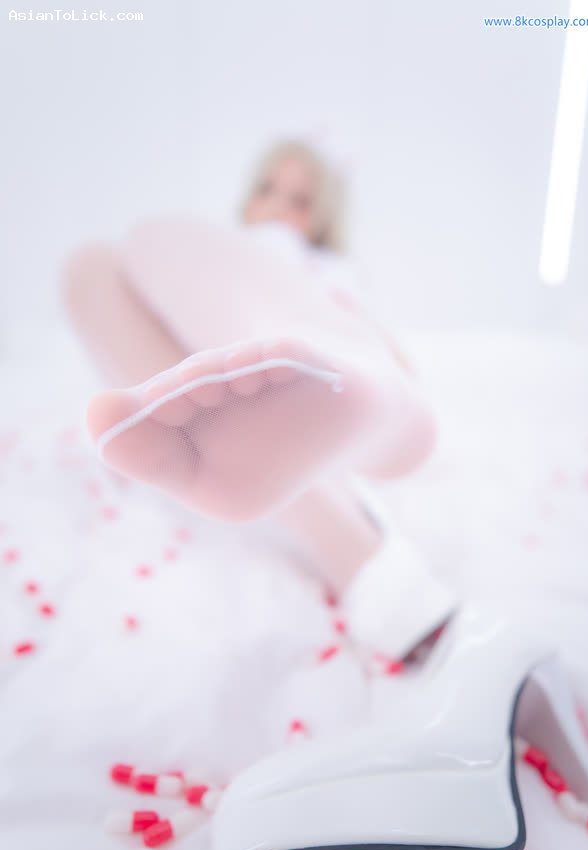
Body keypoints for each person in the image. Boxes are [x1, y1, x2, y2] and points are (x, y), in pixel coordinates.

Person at [62, 139, 453, 659]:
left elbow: (399, 352)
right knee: (91, 265)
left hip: (329, 351)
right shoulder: (201, 259)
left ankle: (356, 402)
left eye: (300, 202)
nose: (278, 208)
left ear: (322, 219)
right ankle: (218, 421)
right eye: (267, 190)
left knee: (155, 236)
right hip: (215, 358)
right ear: (248, 198)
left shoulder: (331, 271)